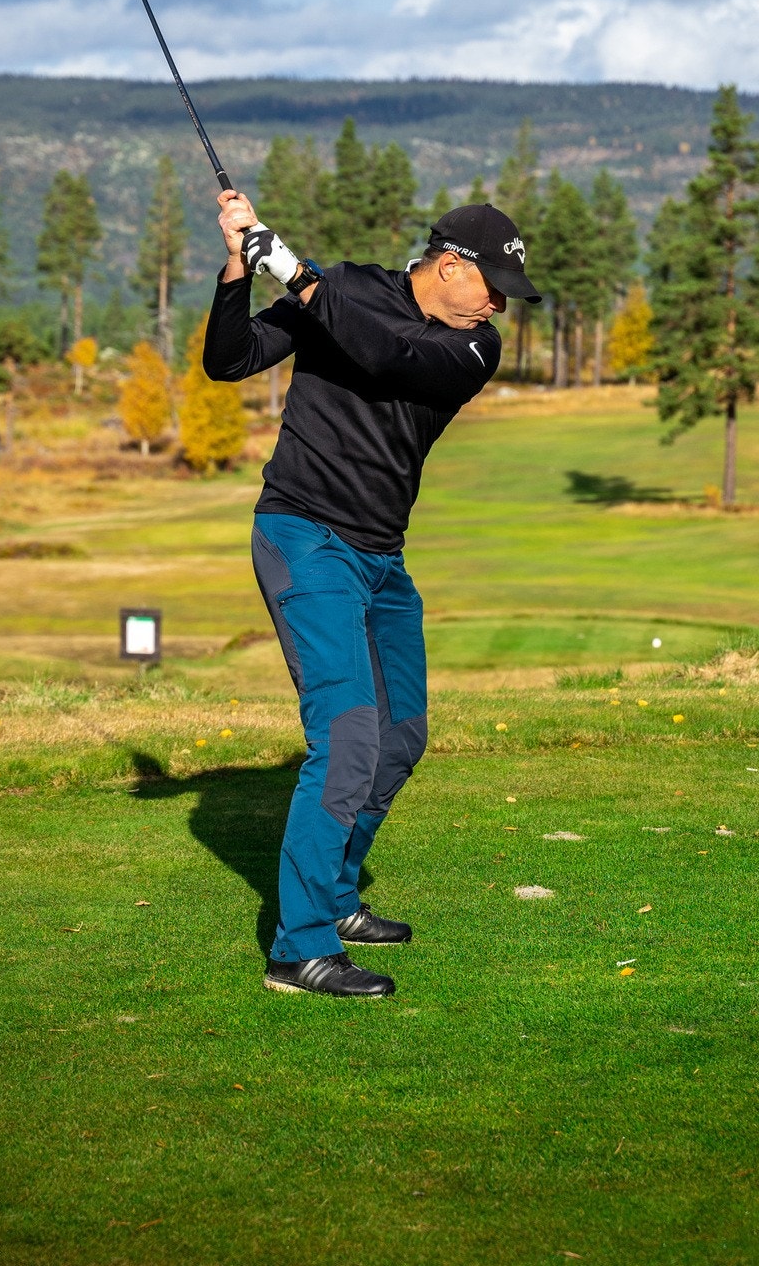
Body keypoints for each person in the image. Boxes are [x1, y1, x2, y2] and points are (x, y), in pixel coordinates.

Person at [203, 192, 541, 997]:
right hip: (302, 537)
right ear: (449, 266)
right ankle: (301, 947)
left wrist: (293, 270)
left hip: (381, 558)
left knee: (401, 736)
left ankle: (337, 892)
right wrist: (238, 267)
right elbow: (231, 359)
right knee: (348, 735)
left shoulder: (473, 349)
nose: (498, 305)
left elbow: (389, 353)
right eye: (490, 284)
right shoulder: (346, 288)